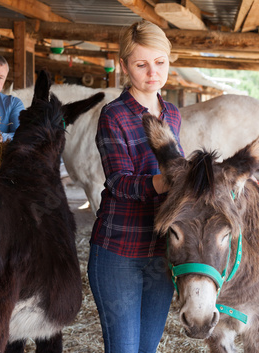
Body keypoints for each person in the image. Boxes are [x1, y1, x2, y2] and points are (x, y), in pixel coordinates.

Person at [87, 20, 184, 353]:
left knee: (147, 349)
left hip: (161, 253)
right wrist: (168, 180)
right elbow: (118, 182)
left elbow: (178, 174)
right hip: (119, 252)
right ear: (124, 65)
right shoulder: (113, 115)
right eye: (141, 64)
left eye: (160, 62)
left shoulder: (172, 114)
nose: (152, 72)